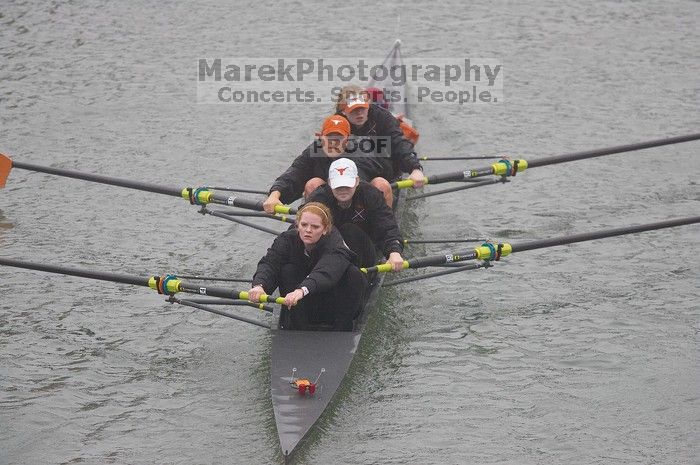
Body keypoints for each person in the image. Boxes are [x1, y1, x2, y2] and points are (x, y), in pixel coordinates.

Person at [247, 202, 366, 331]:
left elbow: (325, 272)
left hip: (333, 304)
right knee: (287, 271)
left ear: (325, 229)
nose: (308, 230)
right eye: (304, 225)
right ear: (297, 225)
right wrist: (259, 285)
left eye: (315, 227)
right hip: (302, 304)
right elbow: (270, 263)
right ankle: (298, 328)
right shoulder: (286, 239)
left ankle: (343, 329)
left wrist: (301, 290)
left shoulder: (335, 245)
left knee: (354, 274)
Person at [307, 158, 406, 271]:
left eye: (347, 185)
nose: (343, 190)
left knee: (349, 230)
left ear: (357, 181)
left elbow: (386, 224)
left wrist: (394, 252)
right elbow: (302, 227)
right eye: (338, 186)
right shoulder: (319, 198)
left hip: (364, 248)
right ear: (329, 183)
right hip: (330, 248)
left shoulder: (370, 194)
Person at [335, 85, 425, 207]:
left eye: (363, 108)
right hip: (351, 176)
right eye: (354, 110)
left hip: (382, 172)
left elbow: (399, 143)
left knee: (380, 185)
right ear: (343, 111)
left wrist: (415, 169)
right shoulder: (335, 123)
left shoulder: (382, 118)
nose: (360, 113)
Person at [262, 114, 353, 214]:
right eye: (329, 137)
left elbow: (363, 180)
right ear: (321, 138)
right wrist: (275, 194)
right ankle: (313, 221)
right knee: (313, 184)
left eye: (339, 139)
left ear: (348, 140)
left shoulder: (359, 152)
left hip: (354, 206)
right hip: (324, 207)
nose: (333, 143)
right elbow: (295, 172)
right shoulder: (314, 150)